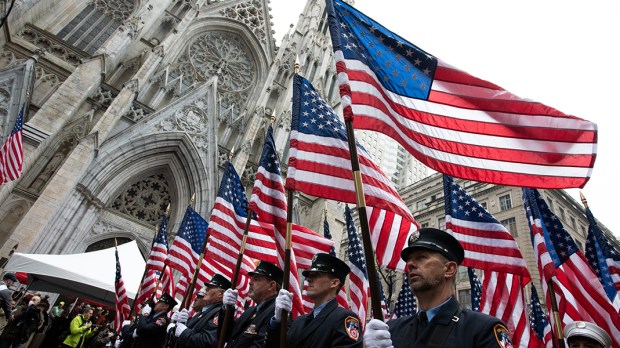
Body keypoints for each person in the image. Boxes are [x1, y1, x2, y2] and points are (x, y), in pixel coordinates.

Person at [364, 227, 513, 348]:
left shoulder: (483, 330)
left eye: (421, 257)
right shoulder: (390, 330)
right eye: (409, 260)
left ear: (449, 269)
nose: (409, 264)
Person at [267, 253, 363, 347]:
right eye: (309, 275)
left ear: (334, 283)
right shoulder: (298, 321)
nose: (308, 279)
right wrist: (277, 322)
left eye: (316, 275)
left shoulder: (344, 319)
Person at [219, 261, 283, 348]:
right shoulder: (250, 311)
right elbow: (225, 336)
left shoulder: (276, 313)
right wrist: (227, 309)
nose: (250, 282)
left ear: (271, 286)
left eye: (256, 279)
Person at [172, 274, 232, 348]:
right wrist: (177, 325)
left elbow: (208, 341)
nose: (206, 289)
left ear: (221, 294)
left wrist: (185, 333)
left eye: (211, 287)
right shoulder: (204, 311)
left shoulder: (219, 313)